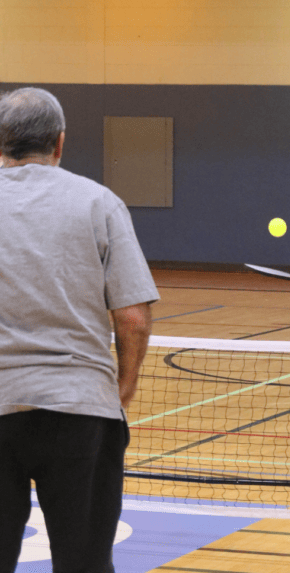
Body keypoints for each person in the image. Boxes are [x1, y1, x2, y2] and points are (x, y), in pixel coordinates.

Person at [0, 88, 160, 572]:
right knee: (85, 562)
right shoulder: (100, 203)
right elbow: (132, 316)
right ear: (60, 143)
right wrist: (124, 385)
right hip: (81, 413)